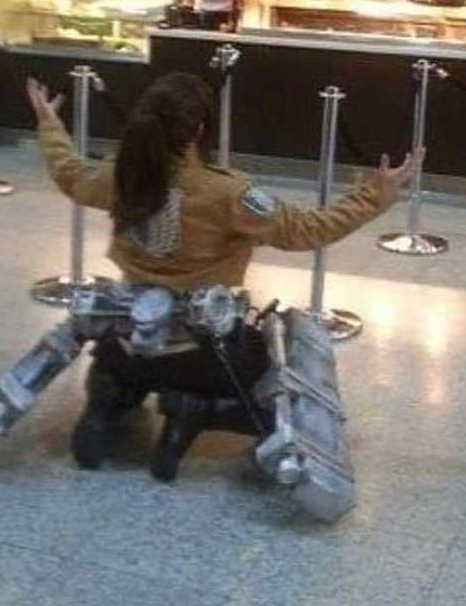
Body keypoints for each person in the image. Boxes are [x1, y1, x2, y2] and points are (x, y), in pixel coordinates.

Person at [25, 72, 420, 480]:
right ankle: (191, 413)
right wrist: (376, 194)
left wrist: (49, 124)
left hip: (125, 346)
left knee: (112, 365)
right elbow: (307, 229)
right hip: (205, 356)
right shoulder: (228, 194)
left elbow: (69, 173)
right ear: (199, 128)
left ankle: (105, 406)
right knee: (267, 369)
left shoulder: (120, 174)